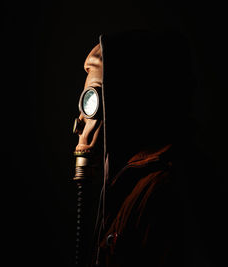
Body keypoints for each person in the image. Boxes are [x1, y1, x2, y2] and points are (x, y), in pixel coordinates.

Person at [73, 30, 209, 267]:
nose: (79, 123)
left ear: (124, 101)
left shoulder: (162, 189)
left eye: (92, 101)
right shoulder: (131, 184)